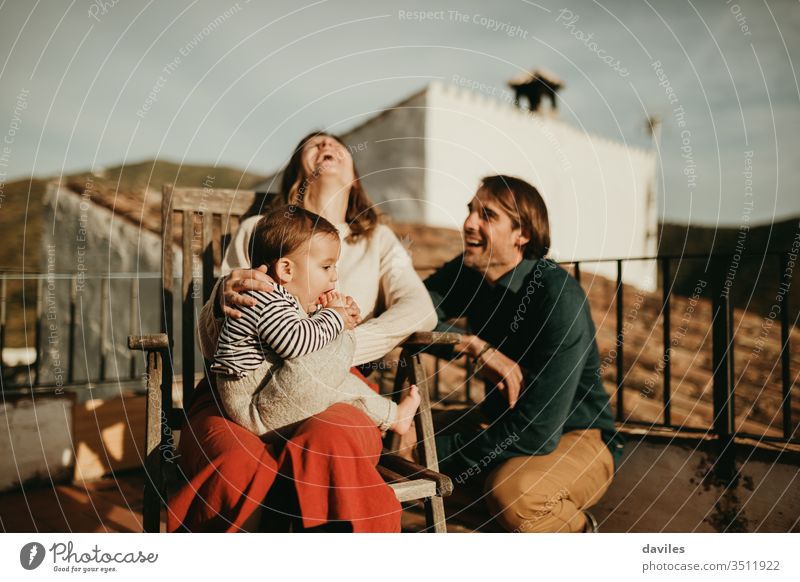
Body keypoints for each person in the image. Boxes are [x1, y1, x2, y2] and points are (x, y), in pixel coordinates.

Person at [168, 131, 437, 532]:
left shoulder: (376, 241)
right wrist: (222, 296)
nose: (326, 146)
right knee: (233, 459)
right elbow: (219, 325)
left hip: (336, 383)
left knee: (331, 443)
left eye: (336, 144)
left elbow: (420, 311)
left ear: (354, 175)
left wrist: (337, 346)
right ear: (298, 173)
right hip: (239, 385)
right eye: (315, 144)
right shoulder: (261, 230)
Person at [422, 175, 625, 533]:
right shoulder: (470, 272)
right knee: (391, 441)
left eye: (488, 215)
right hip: (504, 424)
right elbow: (414, 312)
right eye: (470, 211)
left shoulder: (557, 296)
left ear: (523, 234)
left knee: (515, 494)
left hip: (576, 435)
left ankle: (578, 532)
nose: (469, 222)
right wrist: (471, 346)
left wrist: (434, 452)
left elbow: (537, 432)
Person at [211, 205, 421, 438]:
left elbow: (295, 338)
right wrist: (335, 318)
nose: (335, 276)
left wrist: (325, 315)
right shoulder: (262, 298)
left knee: (333, 379)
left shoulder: (281, 297)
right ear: (286, 269)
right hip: (253, 406)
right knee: (323, 367)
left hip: (269, 393)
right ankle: (392, 415)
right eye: (326, 267)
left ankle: (394, 417)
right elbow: (295, 344)